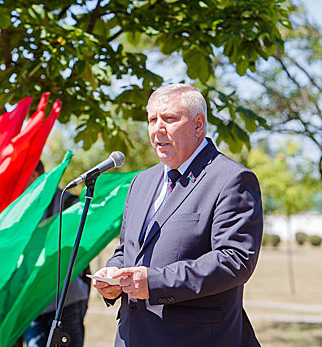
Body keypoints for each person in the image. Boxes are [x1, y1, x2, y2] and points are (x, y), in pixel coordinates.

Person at [93, 84, 263, 346]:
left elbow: (234, 260)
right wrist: (114, 274)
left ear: (198, 125)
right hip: (132, 335)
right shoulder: (141, 181)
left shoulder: (231, 179)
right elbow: (127, 250)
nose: (158, 129)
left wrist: (155, 282)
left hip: (194, 338)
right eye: (152, 120)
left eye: (170, 118)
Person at [23, 160, 91, 347]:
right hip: (33, 305)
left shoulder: (67, 202)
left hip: (65, 301)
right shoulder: (19, 208)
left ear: (35, 175)